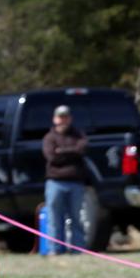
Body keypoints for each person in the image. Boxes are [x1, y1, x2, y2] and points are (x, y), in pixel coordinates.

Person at [42, 105, 90, 253]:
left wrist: (61, 151)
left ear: (70, 118)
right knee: (54, 218)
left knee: (77, 217)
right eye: (60, 117)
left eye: (66, 117)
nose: (63, 120)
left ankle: (77, 248)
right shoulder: (49, 137)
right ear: (55, 119)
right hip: (55, 182)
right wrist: (71, 152)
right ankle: (55, 249)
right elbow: (52, 157)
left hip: (76, 182)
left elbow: (82, 149)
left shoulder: (78, 135)